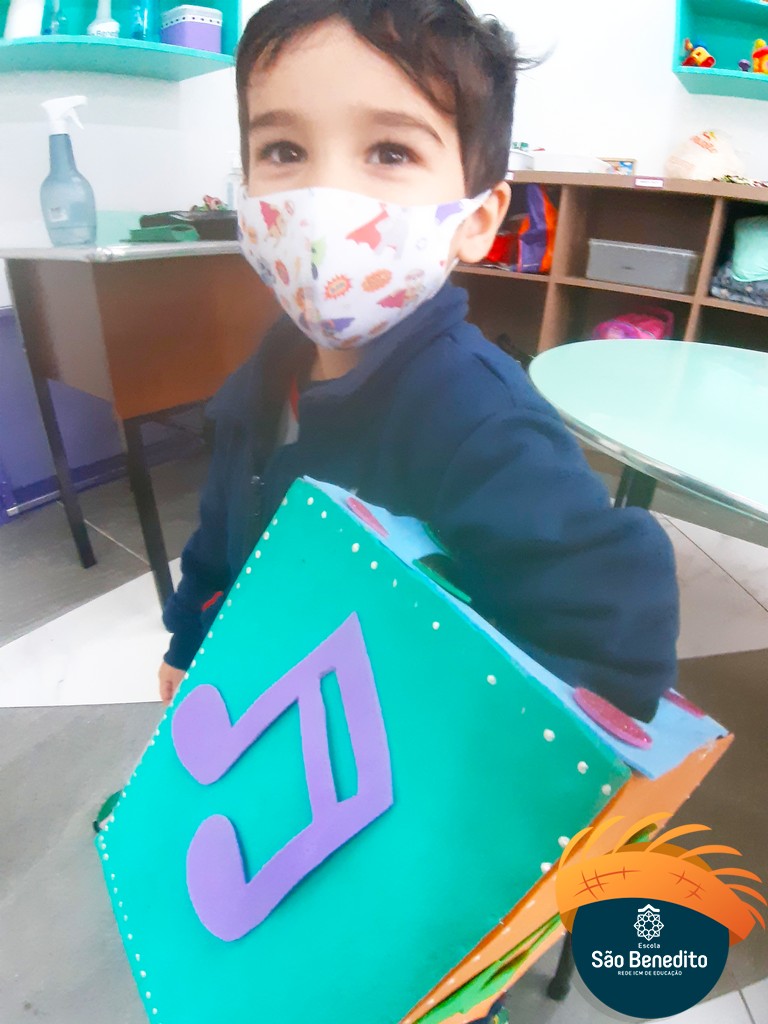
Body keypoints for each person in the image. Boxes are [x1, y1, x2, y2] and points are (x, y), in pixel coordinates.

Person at [159, 0, 679, 725]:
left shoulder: (483, 422)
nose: (323, 199)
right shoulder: (262, 379)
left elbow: (613, 643)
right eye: (283, 150)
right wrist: (191, 641)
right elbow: (221, 535)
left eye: (390, 152)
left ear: (475, 222)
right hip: (277, 697)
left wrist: (459, 738)